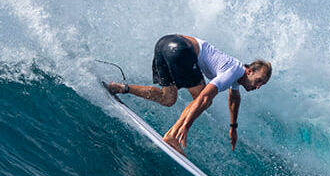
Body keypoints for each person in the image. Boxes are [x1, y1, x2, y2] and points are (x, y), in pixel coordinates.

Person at [107, 34, 271, 153]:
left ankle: (122, 88)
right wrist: (186, 126)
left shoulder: (237, 75)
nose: (258, 87)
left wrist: (233, 127)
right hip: (182, 50)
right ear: (249, 71)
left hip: (164, 44)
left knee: (168, 97)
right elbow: (204, 97)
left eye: (262, 85)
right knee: (204, 99)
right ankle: (172, 136)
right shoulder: (233, 71)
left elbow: (234, 98)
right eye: (258, 81)